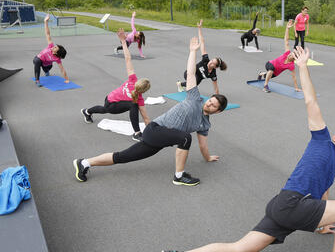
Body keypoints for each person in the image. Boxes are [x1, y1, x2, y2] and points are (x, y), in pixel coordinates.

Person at [160, 46, 335, 252]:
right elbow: (311, 101)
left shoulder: (333, 166)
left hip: (284, 206)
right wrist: (302, 68)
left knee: (241, 250)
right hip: (293, 203)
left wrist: (322, 222)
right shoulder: (322, 141)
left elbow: (324, 192)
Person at [73, 37, 228, 186]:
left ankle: (84, 163)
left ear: (218, 111)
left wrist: (208, 157)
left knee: (122, 156)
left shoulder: (204, 124)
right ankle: (179, 176)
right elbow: (191, 73)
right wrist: (193, 51)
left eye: (213, 105)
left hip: (160, 139)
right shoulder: (195, 98)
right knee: (186, 138)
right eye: (210, 100)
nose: (209, 104)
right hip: (155, 130)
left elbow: (203, 145)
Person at [81, 29, 151, 142]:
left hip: (110, 98)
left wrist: (123, 42)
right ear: (144, 91)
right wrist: (152, 132)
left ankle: (87, 111)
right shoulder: (139, 98)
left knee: (106, 109)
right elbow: (146, 118)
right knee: (132, 106)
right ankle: (137, 133)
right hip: (111, 103)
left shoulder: (133, 79)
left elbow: (128, 59)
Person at [177, 20, 227, 94]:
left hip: (196, 81)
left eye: (213, 63)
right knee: (194, 83)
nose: (210, 62)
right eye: (212, 60)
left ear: (215, 67)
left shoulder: (213, 74)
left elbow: (216, 87)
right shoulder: (205, 59)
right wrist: (200, 28)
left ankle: (180, 84)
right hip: (189, 73)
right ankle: (182, 85)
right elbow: (202, 42)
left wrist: (217, 98)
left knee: (194, 84)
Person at [257, 20, 300, 93]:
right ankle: (265, 86)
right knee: (271, 69)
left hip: (275, 73)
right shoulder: (287, 53)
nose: (290, 54)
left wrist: (296, 88)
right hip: (269, 64)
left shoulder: (291, 65)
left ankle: (261, 73)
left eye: (291, 55)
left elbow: (294, 77)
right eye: (291, 53)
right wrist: (287, 28)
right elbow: (286, 40)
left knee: (268, 74)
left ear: (294, 58)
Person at [33, 14, 68, 87]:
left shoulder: (57, 59)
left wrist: (66, 78)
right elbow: (48, 34)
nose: (54, 47)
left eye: (55, 48)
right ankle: (37, 80)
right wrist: (45, 22)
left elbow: (62, 69)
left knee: (47, 68)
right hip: (39, 59)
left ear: (56, 53)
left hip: (47, 64)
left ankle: (46, 71)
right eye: (55, 46)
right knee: (37, 61)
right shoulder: (50, 46)